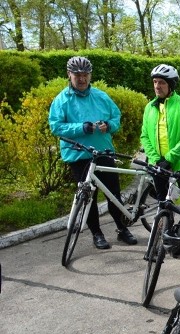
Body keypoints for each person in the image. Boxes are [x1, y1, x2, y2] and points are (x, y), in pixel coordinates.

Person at [49, 56, 137, 250]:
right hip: (78, 155)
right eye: (77, 75)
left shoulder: (101, 96)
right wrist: (81, 128)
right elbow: (56, 126)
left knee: (113, 194)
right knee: (88, 197)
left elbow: (116, 117)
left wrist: (110, 125)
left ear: (90, 75)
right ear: (69, 75)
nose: (81, 79)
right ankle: (97, 233)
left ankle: (122, 229)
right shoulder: (62, 100)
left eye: (85, 75)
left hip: (103, 152)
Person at [140, 64, 180, 211]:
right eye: (155, 82)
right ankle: (165, 231)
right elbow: (145, 136)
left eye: (162, 82)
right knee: (163, 204)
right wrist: (156, 159)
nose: (157, 86)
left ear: (171, 85)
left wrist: (169, 158)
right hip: (158, 165)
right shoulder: (150, 107)